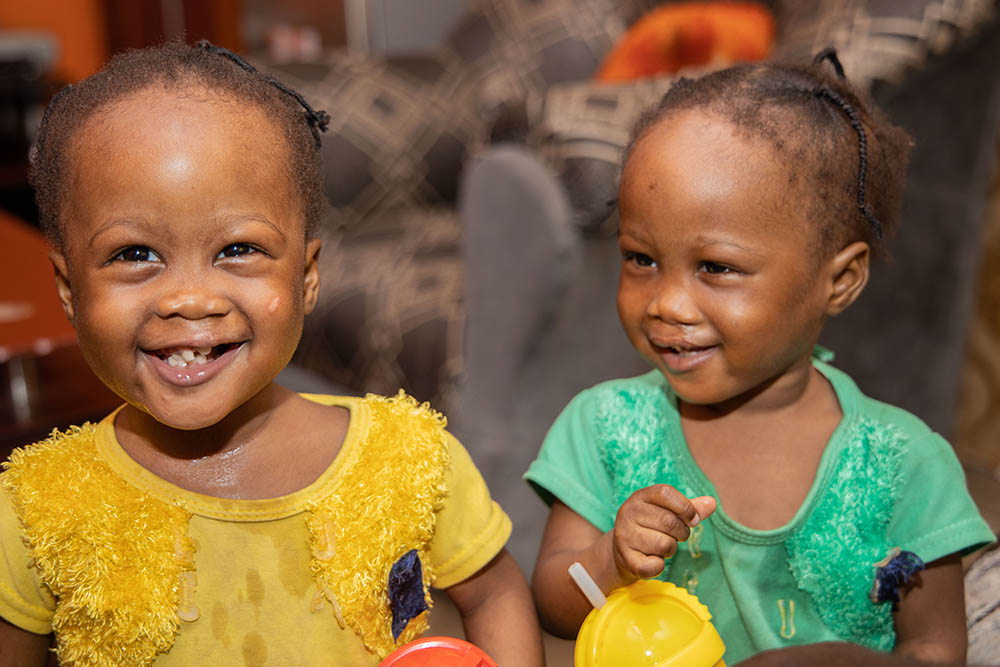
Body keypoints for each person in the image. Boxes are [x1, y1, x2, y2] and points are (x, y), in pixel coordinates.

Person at [0, 40, 543, 667]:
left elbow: (498, 593)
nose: (190, 298)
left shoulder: (410, 460)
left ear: (306, 276)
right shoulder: (40, 509)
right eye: (135, 254)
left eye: (237, 249)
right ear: (70, 289)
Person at [526, 51, 995, 666]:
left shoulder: (902, 465)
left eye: (716, 267)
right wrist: (607, 560)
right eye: (641, 258)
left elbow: (935, 650)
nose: (666, 303)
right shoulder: (607, 428)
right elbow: (551, 608)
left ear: (841, 280)